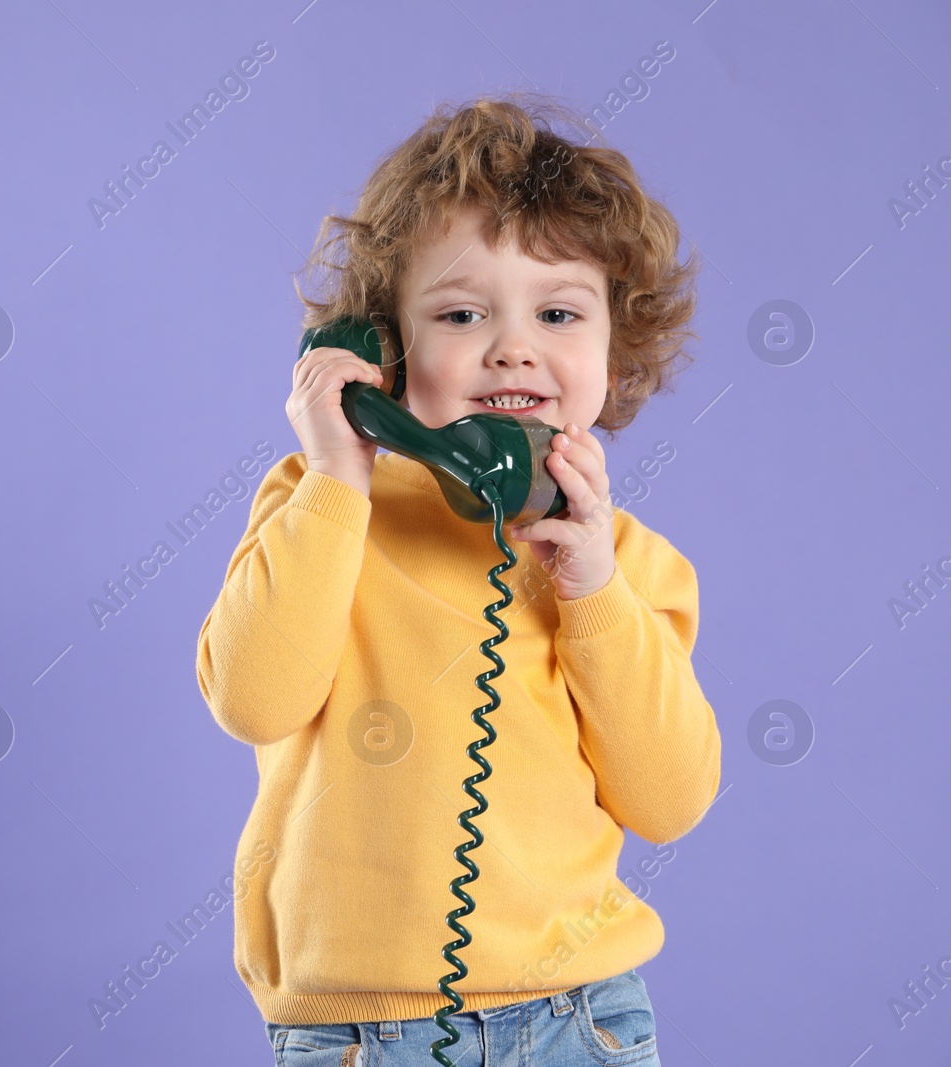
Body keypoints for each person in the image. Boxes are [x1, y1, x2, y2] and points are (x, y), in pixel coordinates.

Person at [194, 93, 721, 1066]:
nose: (512, 345)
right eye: (460, 311)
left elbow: (670, 797)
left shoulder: (628, 563)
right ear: (382, 347)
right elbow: (253, 697)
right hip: (358, 1029)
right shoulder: (317, 505)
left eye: (557, 311)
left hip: (580, 1015)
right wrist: (339, 474)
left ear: (616, 345)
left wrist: (592, 587)